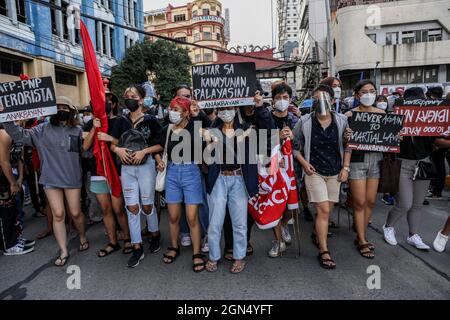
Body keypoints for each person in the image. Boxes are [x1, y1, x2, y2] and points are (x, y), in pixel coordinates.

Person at [2, 97, 88, 266]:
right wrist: (5, 115)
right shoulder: (41, 129)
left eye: (65, 107)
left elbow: (84, 153)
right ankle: (63, 250)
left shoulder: (77, 130)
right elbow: (20, 135)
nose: (61, 109)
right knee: (58, 214)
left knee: (76, 213)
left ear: (71, 111)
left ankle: (83, 235)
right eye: (58, 107)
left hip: (72, 178)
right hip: (50, 178)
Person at [383, 87, 450, 250]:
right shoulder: (394, 120)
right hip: (402, 164)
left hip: (423, 163)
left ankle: (413, 234)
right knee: (404, 203)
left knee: (417, 204)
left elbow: (438, 141)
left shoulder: (429, 120)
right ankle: (388, 226)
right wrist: (394, 137)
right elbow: (384, 143)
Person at [293, 85, 351, 269]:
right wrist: (304, 163)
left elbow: (348, 145)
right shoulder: (304, 121)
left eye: (324, 98)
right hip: (314, 171)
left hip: (335, 171)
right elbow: (294, 147)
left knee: (326, 211)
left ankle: (318, 234)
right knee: (324, 210)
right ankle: (324, 251)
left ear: (333, 101)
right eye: (316, 99)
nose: (321, 102)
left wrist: (346, 168)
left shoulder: (342, 120)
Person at [110, 85, 163, 268]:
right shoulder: (120, 121)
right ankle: (137, 247)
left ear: (141, 99)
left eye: (133, 96)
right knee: (132, 207)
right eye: (127, 96)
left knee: (147, 206)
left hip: (146, 166)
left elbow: (160, 145)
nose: (130, 99)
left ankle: (155, 234)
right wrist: (118, 149)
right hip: (127, 169)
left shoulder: (151, 120)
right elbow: (113, 144)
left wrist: (145, 151)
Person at [156, 96, 205, 272]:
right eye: (171, 108)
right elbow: (158, 147)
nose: (172, 112)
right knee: (173, 216)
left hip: (191, 172)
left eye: (176, 110)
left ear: (186, 112)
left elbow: (209, 131)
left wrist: (198, 114)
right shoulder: (167, 129)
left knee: (192, 217)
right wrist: (158, 160)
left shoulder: (195, 127)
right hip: (172, 172)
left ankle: (197, 252)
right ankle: (174, 246)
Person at [82, 101, 133, 257]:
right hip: (97, 171)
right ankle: (112, 242)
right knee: (105, 209)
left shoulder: (121, 120)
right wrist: (94, 128)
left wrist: (109, 137)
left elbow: (128, 143)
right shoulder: (91, 123)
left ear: (113, 104)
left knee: (118, 208)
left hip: (116, 170)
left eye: (107, 101)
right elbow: (85, 146)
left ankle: (127, 239)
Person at [345, 80, 385, 259]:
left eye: (372, 91)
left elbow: (388, 140)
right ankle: (361, 239)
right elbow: (343, 144)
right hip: (356, 161)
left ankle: (361, 230)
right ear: (357, 95)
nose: (369, 94)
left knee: (370, 201)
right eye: (364, 92)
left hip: (376, 160)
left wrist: (395, 136)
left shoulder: (383, 114)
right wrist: (346, 137)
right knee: (359, 202)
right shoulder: (349, 115)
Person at [268, 82, 298, 257]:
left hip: (292, 167)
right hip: (272, 166)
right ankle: (277, 240)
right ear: (272, 100)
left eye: (285, 97)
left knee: (291, 207)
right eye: (278, 98)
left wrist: (293, 139)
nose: (282, 101)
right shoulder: (266, 118)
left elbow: (302, 144)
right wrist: (276, 138)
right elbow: (260, 144)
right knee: (275, 204)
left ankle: (285, 224)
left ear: (290, 99)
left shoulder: (296, 120)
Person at [0, 125, 35, 256]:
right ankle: (9, 245)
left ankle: (14, 238)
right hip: (3, 178)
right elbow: (3, 161)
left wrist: (20, 178)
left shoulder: (19, 132)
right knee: (6, 211)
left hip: (12, 175)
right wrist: (12, 183)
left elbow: (20, 158)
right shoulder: (4, 133)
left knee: (14, 208)